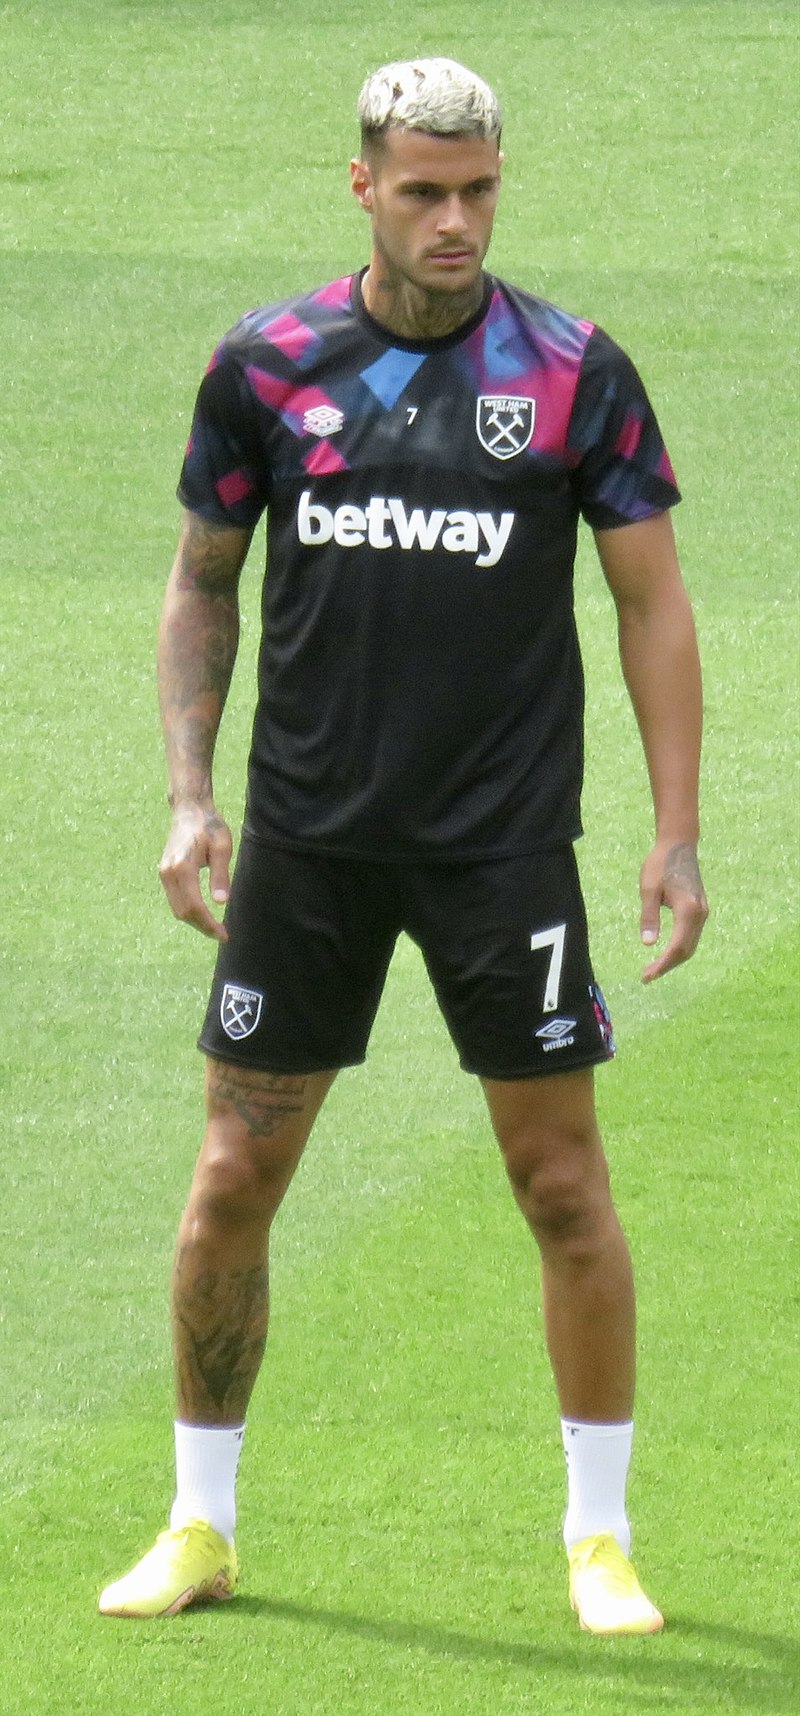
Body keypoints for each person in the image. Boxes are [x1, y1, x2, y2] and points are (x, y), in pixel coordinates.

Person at [99, 56, 707, 1632]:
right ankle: (200, 1524)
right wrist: (190, 796)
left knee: (561, 1184)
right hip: (310, 848)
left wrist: (677, 832)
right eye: (425, 190)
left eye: (479, 190)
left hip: (505, 852)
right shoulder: (269, 365)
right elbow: (203, 583)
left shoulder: (572, 371)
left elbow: (650, 601)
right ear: (363, 185)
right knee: (234, 1175)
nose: (456, 220)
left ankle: (598, 1540)